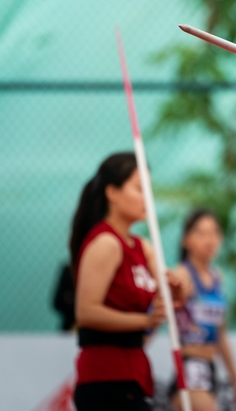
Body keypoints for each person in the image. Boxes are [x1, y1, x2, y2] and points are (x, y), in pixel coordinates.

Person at [69, 152, 174, 411]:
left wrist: (175, 293)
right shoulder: (106, 243)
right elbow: (86, 312)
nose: (147, 198)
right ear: (112, 192)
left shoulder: (142, 246)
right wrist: (145, 321)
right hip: (105, 379)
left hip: (134, 375)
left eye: (149, 190)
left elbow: (168, 295)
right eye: (139, 189)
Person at [169, 208, 236, 411]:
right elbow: (162, 310)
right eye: (201, 233)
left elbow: (220, 336)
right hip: (189, 368)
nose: (209, 239)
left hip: (209, 370)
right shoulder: (181, 275)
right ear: (185, 240)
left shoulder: (217, 277)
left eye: (214, 232)